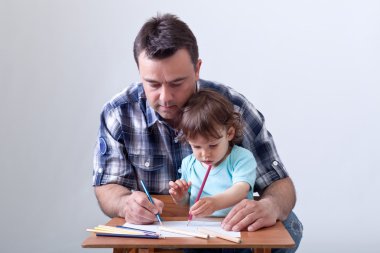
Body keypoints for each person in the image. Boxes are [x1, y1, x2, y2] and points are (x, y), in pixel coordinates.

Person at [93, 13, 302, 252]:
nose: (165, 97)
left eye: (176, 83)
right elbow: (107, 186)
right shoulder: (119, 113)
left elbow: (280, 185)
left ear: (197, 69)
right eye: (152, 84)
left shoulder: (233, 107)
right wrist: (124, 204)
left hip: (229, 231)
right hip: (162, 232)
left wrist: (271, 206)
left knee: (289, 226)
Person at [169, 89, 256, 219]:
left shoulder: (241, 158)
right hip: (200, 227)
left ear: (229, 133)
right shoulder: (189, 163)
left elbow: (241, 190)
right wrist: (180, 197)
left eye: (213, 145)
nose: (205, 154)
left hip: (237, 225)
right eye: (196, 146)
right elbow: (187, 202)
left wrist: (215, 203)